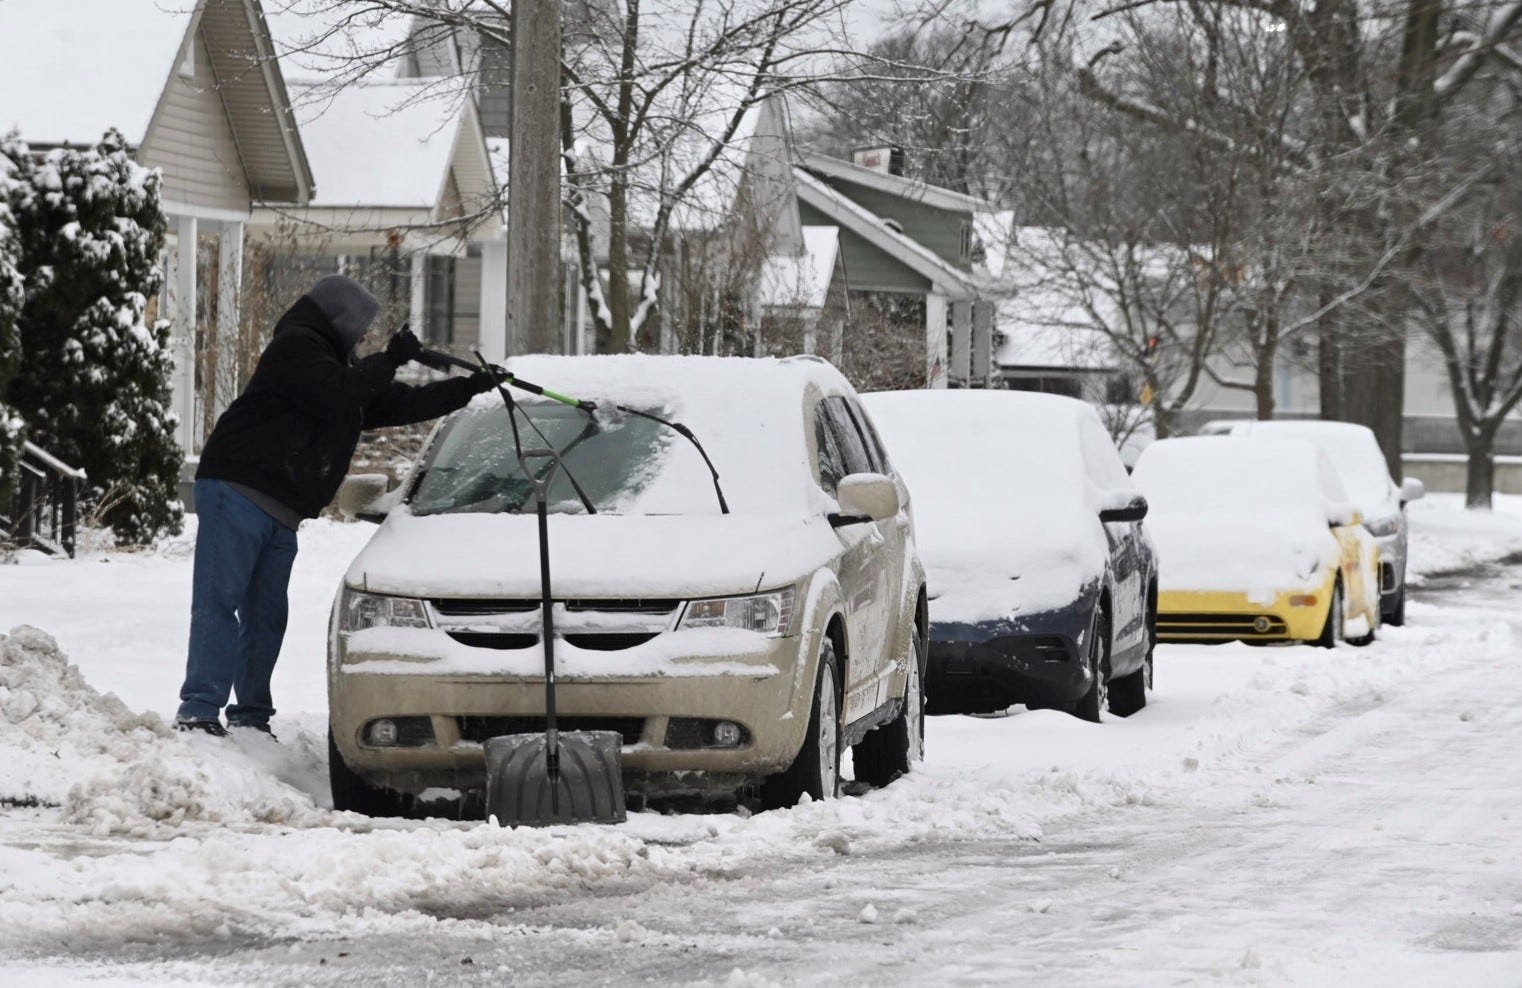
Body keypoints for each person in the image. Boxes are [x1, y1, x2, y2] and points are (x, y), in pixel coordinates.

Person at [176, 274, 496, 736]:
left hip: (282, 509)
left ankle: (250, 716)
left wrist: (468, 389)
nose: (366, 334)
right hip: (237, 488)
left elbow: (397, 404)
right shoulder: (297, 347)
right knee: (219, 601)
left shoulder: (339, 366)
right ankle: (199, 710)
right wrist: (389, 358)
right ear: (339, 318)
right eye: (362, 325)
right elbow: (338, 393)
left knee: (267, 617)